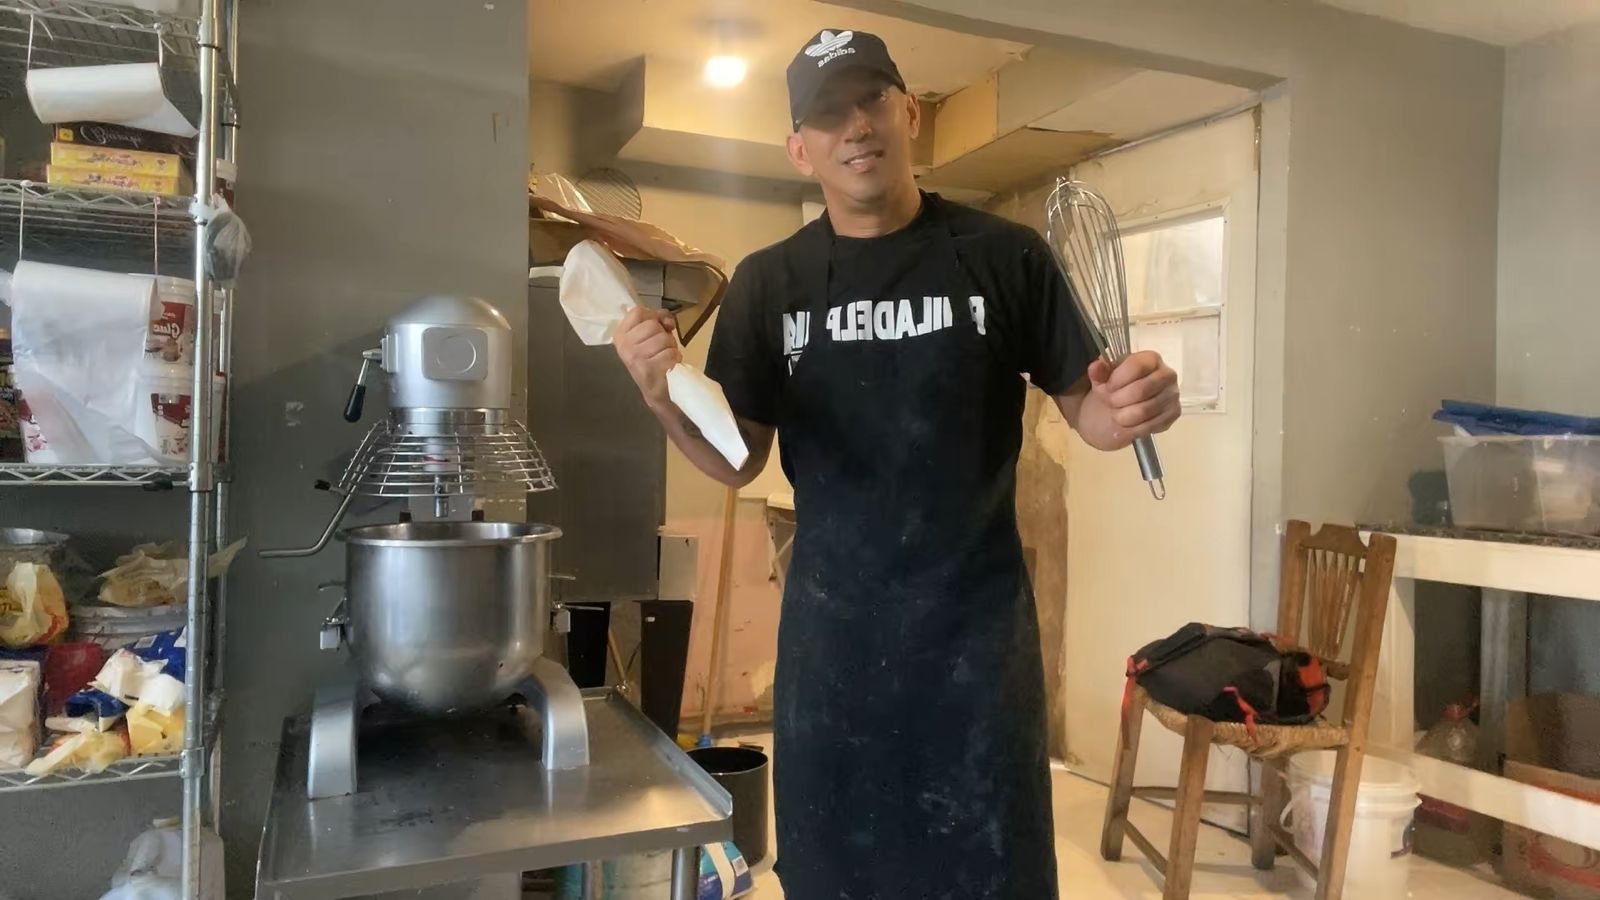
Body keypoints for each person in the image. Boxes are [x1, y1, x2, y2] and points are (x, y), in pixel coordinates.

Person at [614, 28, 1181, 900]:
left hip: (977, 645)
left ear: (910, 112)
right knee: (842, 875)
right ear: (799, 149)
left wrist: (1135, 403)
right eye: (828, 114)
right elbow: (737, 461)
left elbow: (1093, 410)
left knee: (990, 875)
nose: (856, 126)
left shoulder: (1004, 257)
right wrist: (661, 395)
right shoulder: (770, 283)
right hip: (834, 648)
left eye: (871, 99)